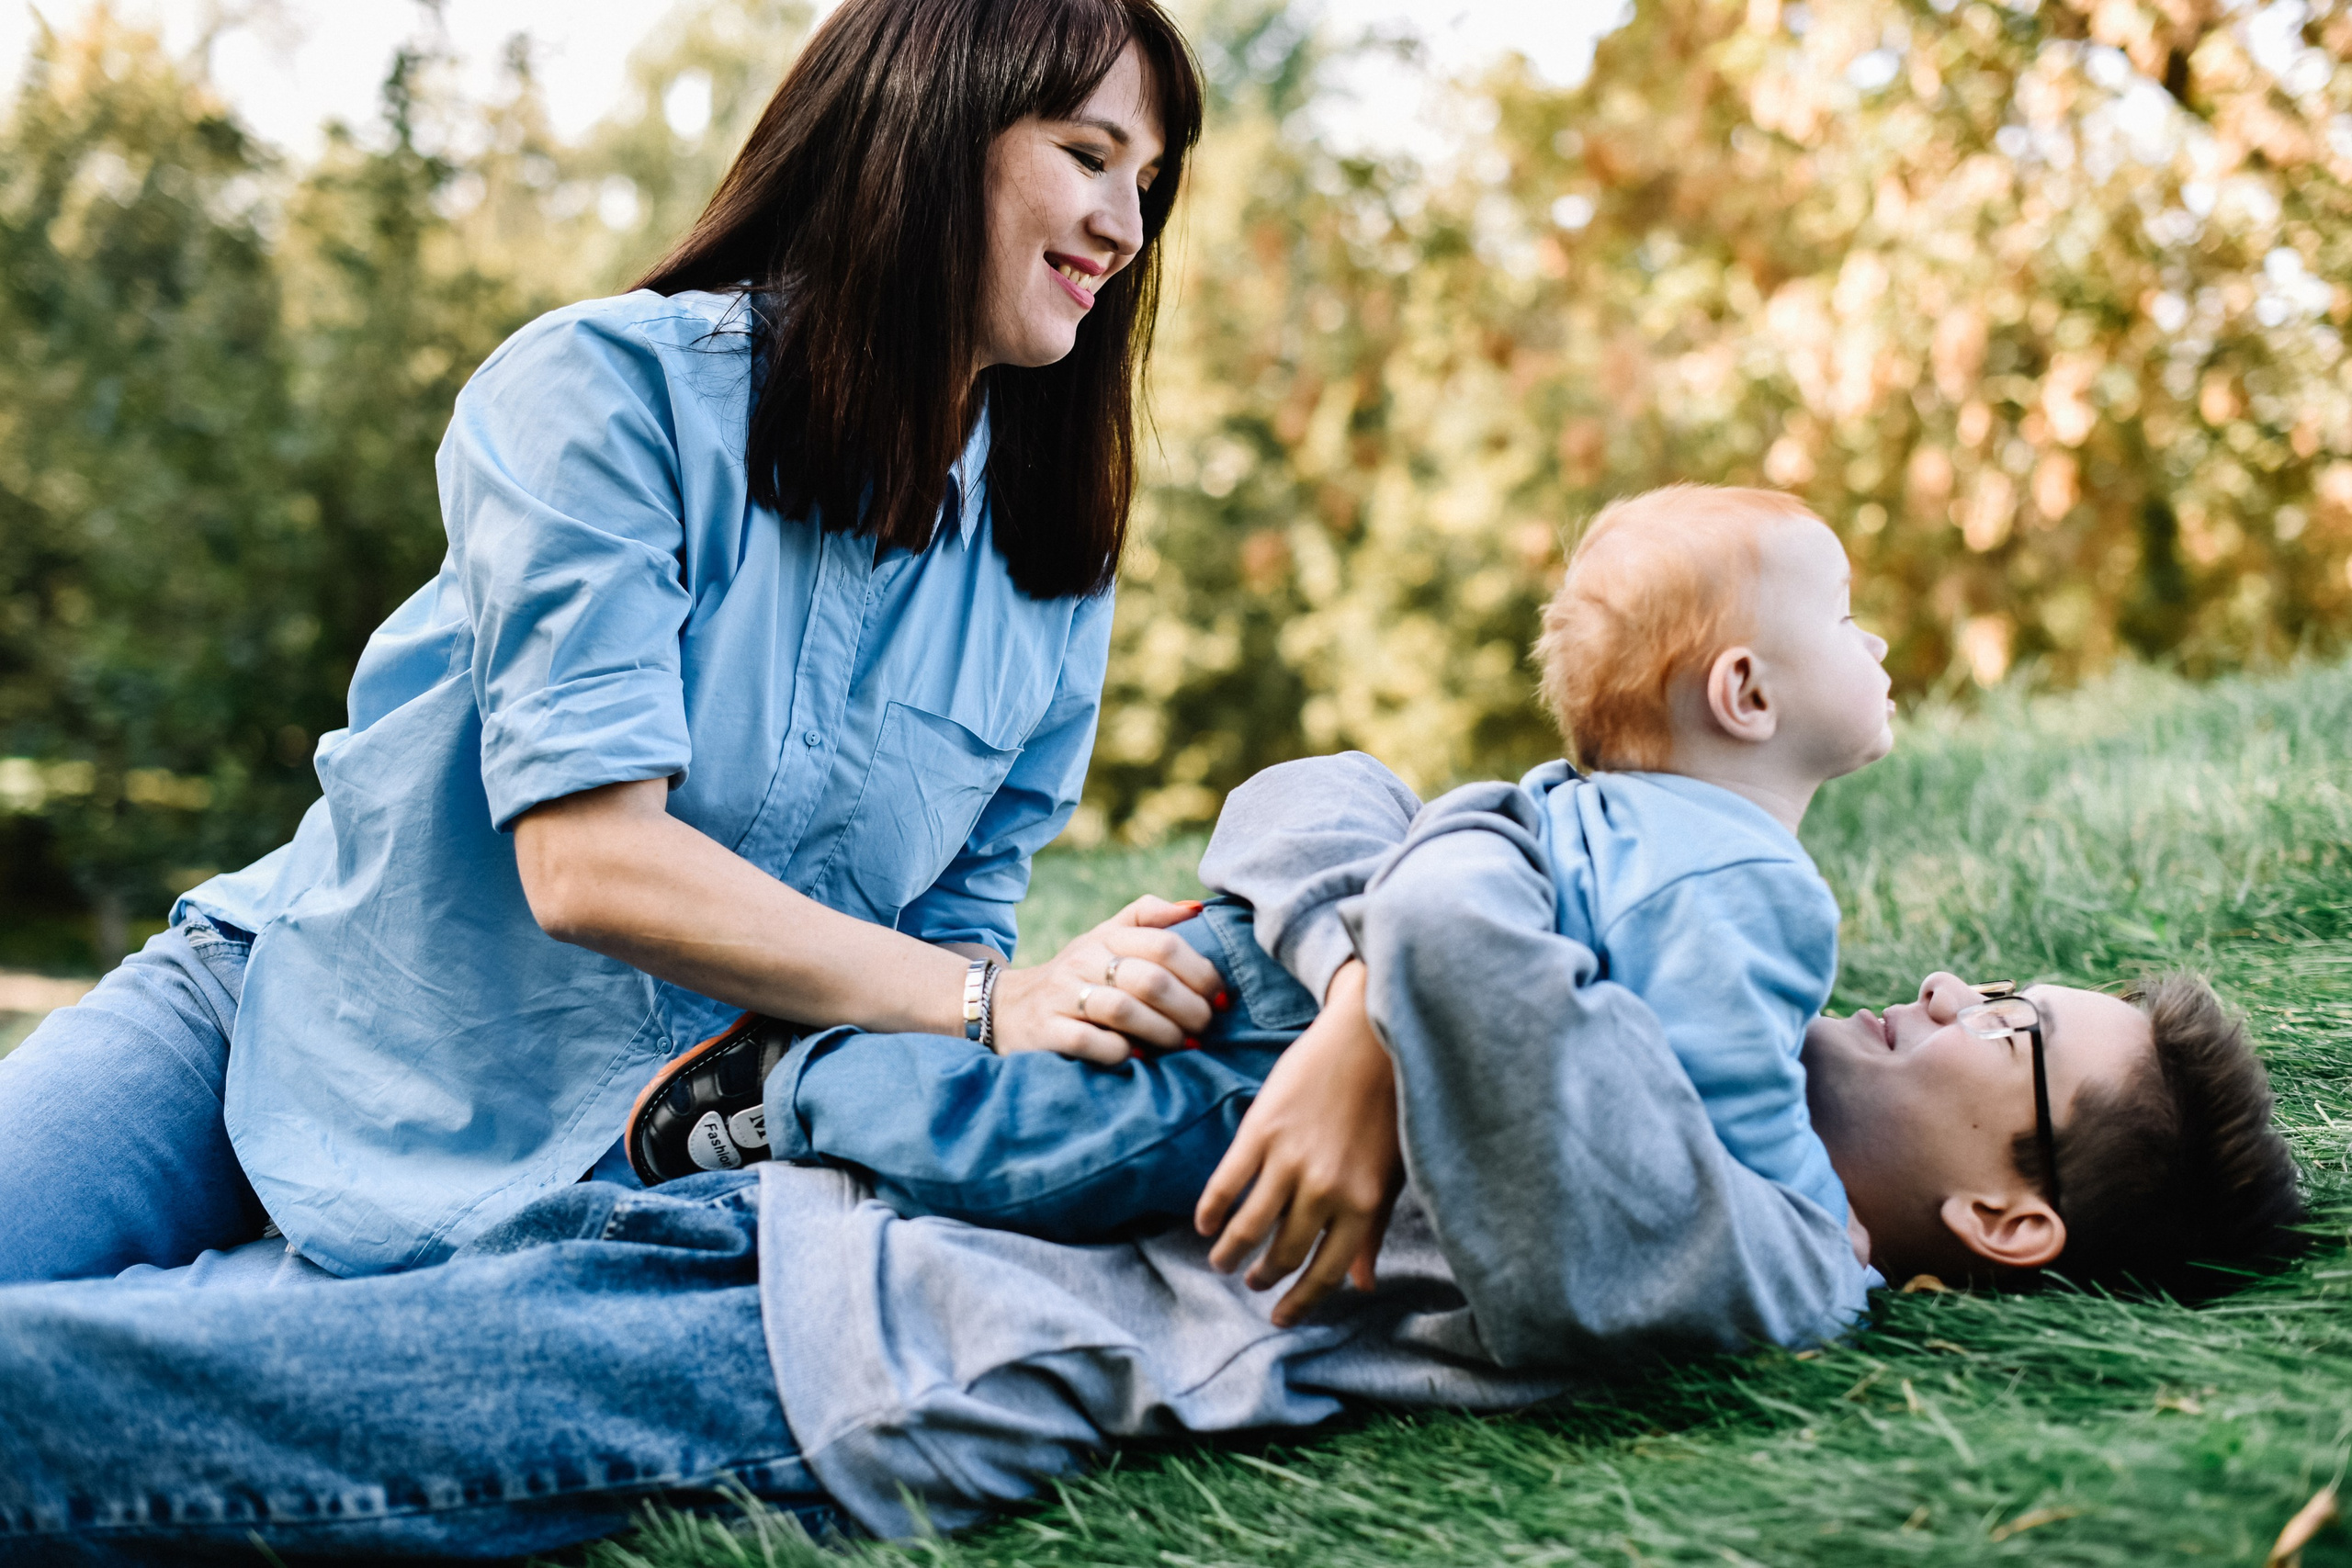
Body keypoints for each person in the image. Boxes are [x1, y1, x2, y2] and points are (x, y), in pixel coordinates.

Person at [0, 759, 2303, 1561]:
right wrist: (1363, 981)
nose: (1938, 990)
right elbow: (1324, 795)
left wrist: (1378, 994)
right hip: (792, 1187)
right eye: (1984, 973)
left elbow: (1452, 899)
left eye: (2003, 1030)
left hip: (832, 1348)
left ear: (2004, 1213)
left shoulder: (1727, 1237)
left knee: (109, 1413)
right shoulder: (1668, 1029)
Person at [0, 0, 1226, 1285]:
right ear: (925, 132)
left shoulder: (1053, 564)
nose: (1126, 230)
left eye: (1146, 185)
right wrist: (988, 1004)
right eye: (1088, 158)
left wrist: (1004, 1019)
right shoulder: (605, 391)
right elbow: (590, 863)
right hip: (289, 1026)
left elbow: (955, 926)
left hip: (618, 1158)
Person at [687, 483, 1893, 1252]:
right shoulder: (1744, 879)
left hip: (1271, 965)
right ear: (1747, 693)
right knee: (1061, 1154)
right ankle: (801, 1089)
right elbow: (1729, 1102)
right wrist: (1816, 1228)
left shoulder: (1628, 817)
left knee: (1057, 1129)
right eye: (1845, 619)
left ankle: (798, 1099)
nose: (1876, 641)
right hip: (1277, 1030)